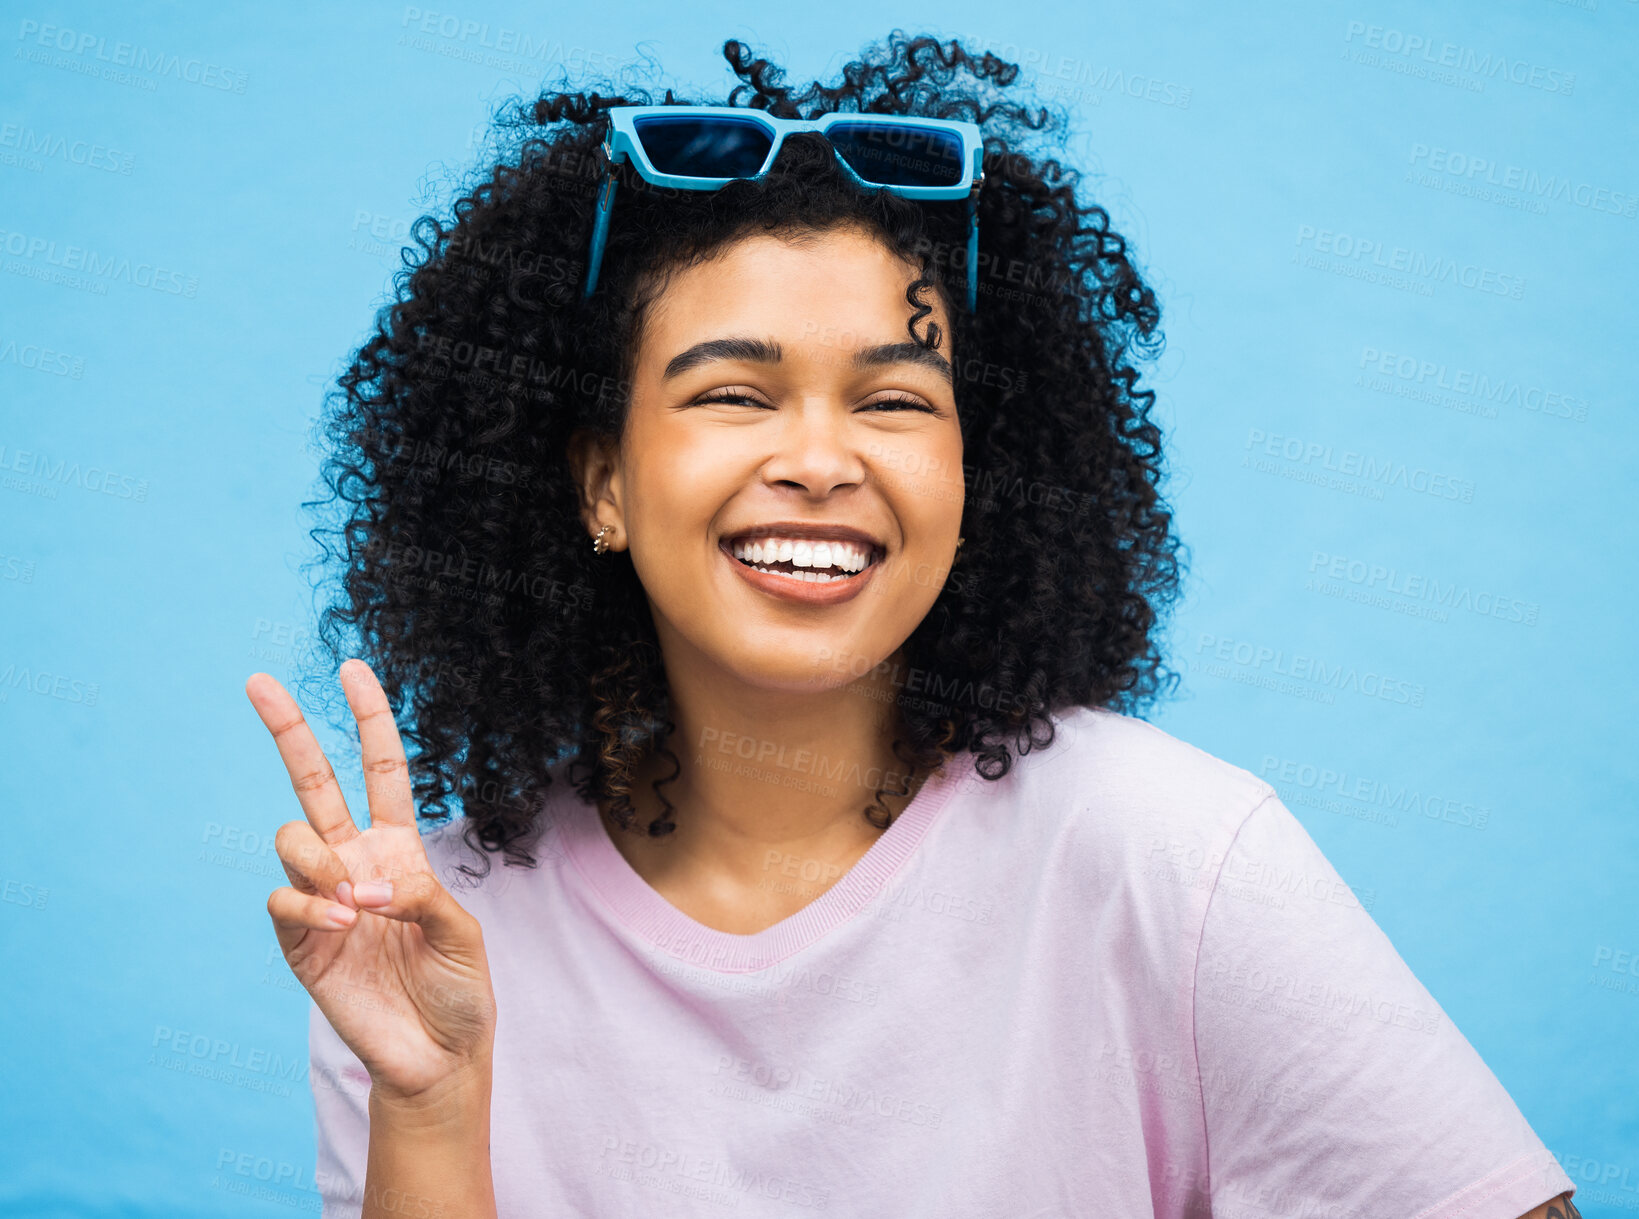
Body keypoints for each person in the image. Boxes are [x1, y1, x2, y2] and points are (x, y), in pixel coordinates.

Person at [245, 32, 1581, 1219]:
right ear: (602, 484)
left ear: (970, 479)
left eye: (894, 402)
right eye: (734, 397)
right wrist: (428, 1100)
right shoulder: (427, 937)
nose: (822, 461)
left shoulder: (1169, 857)